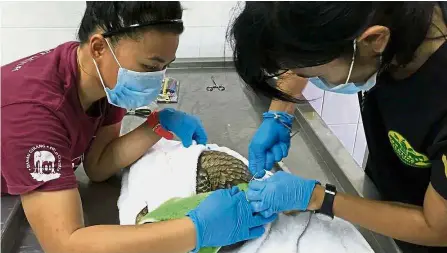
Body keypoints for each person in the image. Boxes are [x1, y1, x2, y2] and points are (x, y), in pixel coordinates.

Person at [1, 2, 275, 253]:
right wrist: (196, 229)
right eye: (149, 66)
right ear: (98, 48)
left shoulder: (103, 81)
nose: (157, 80)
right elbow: (65, 245)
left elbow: (97, 166)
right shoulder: (33, 113)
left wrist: (153, 127)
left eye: (164, 67)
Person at [234, 2, 447, 253]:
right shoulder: (381, 19)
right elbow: (304, 50)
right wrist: (278, 115)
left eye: (317, 75)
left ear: (374, 40)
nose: (308, 78)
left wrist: (318, 198)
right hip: (390, 185)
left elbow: (438, 228)